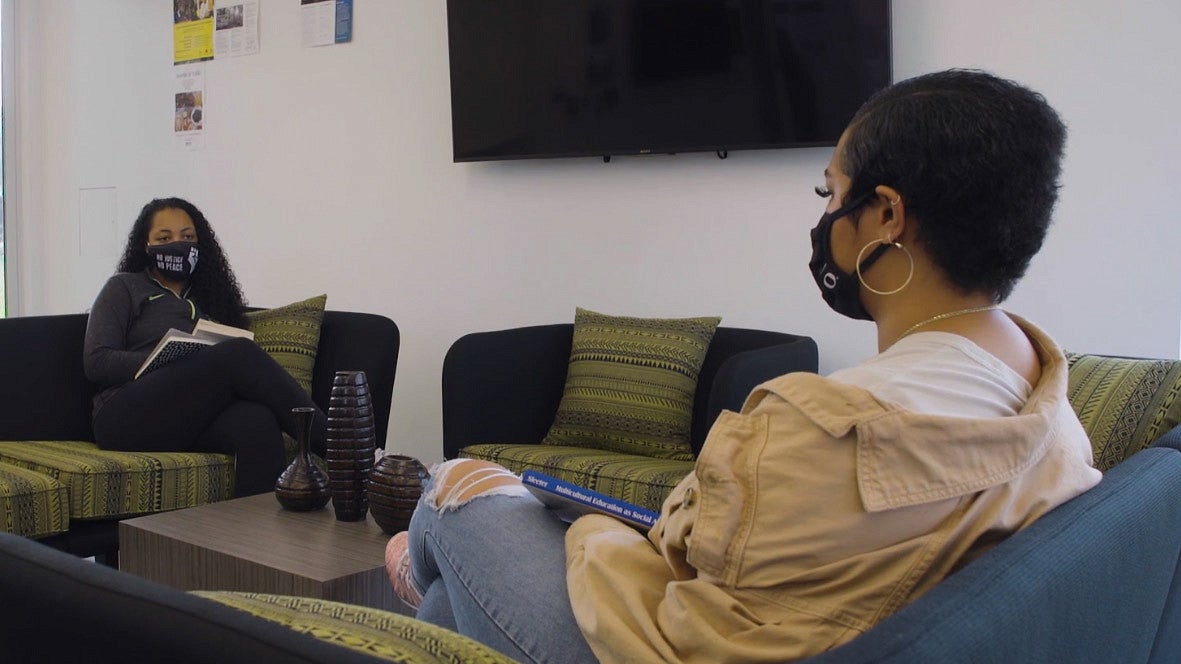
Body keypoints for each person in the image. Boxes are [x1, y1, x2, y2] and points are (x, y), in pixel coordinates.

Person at [386, 69, 1103, 663]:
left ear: (886, 216)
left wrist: (589, 529)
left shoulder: (817, 427)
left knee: (454, 487)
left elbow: (687, 583)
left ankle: (420, 572)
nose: (824, 219)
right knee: (457, 598)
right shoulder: (1052, 407)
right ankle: (444, 599)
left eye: (829, 193)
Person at [83, 197, 327, 497]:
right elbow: (96, 361)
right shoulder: (123, 287)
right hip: (123, 416)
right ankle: (340, 449)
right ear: (145, 246)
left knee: (257, 421)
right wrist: (161, 362)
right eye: (164, 237)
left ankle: (253, 537)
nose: (178, 244)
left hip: (185, 415)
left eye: (187, 237)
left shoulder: (210, 298)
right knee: (237, 352)